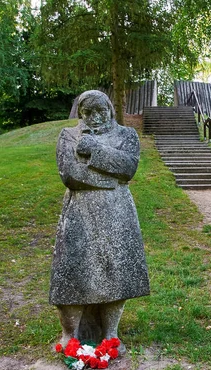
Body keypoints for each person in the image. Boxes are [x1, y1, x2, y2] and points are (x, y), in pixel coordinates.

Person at [49, 90, 149, 353]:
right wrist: (111, 181)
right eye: (88, 112)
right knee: (74, 271)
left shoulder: (126, 135)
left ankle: (111, 334)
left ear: (110, 110)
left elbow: (128, 167)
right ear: (80, 113)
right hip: (80, 212)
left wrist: (95, 150)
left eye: (100, 111)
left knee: (116, 273)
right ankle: (70, 335)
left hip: (117, 211)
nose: (94, 117)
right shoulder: (68, 136)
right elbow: (70, 175)